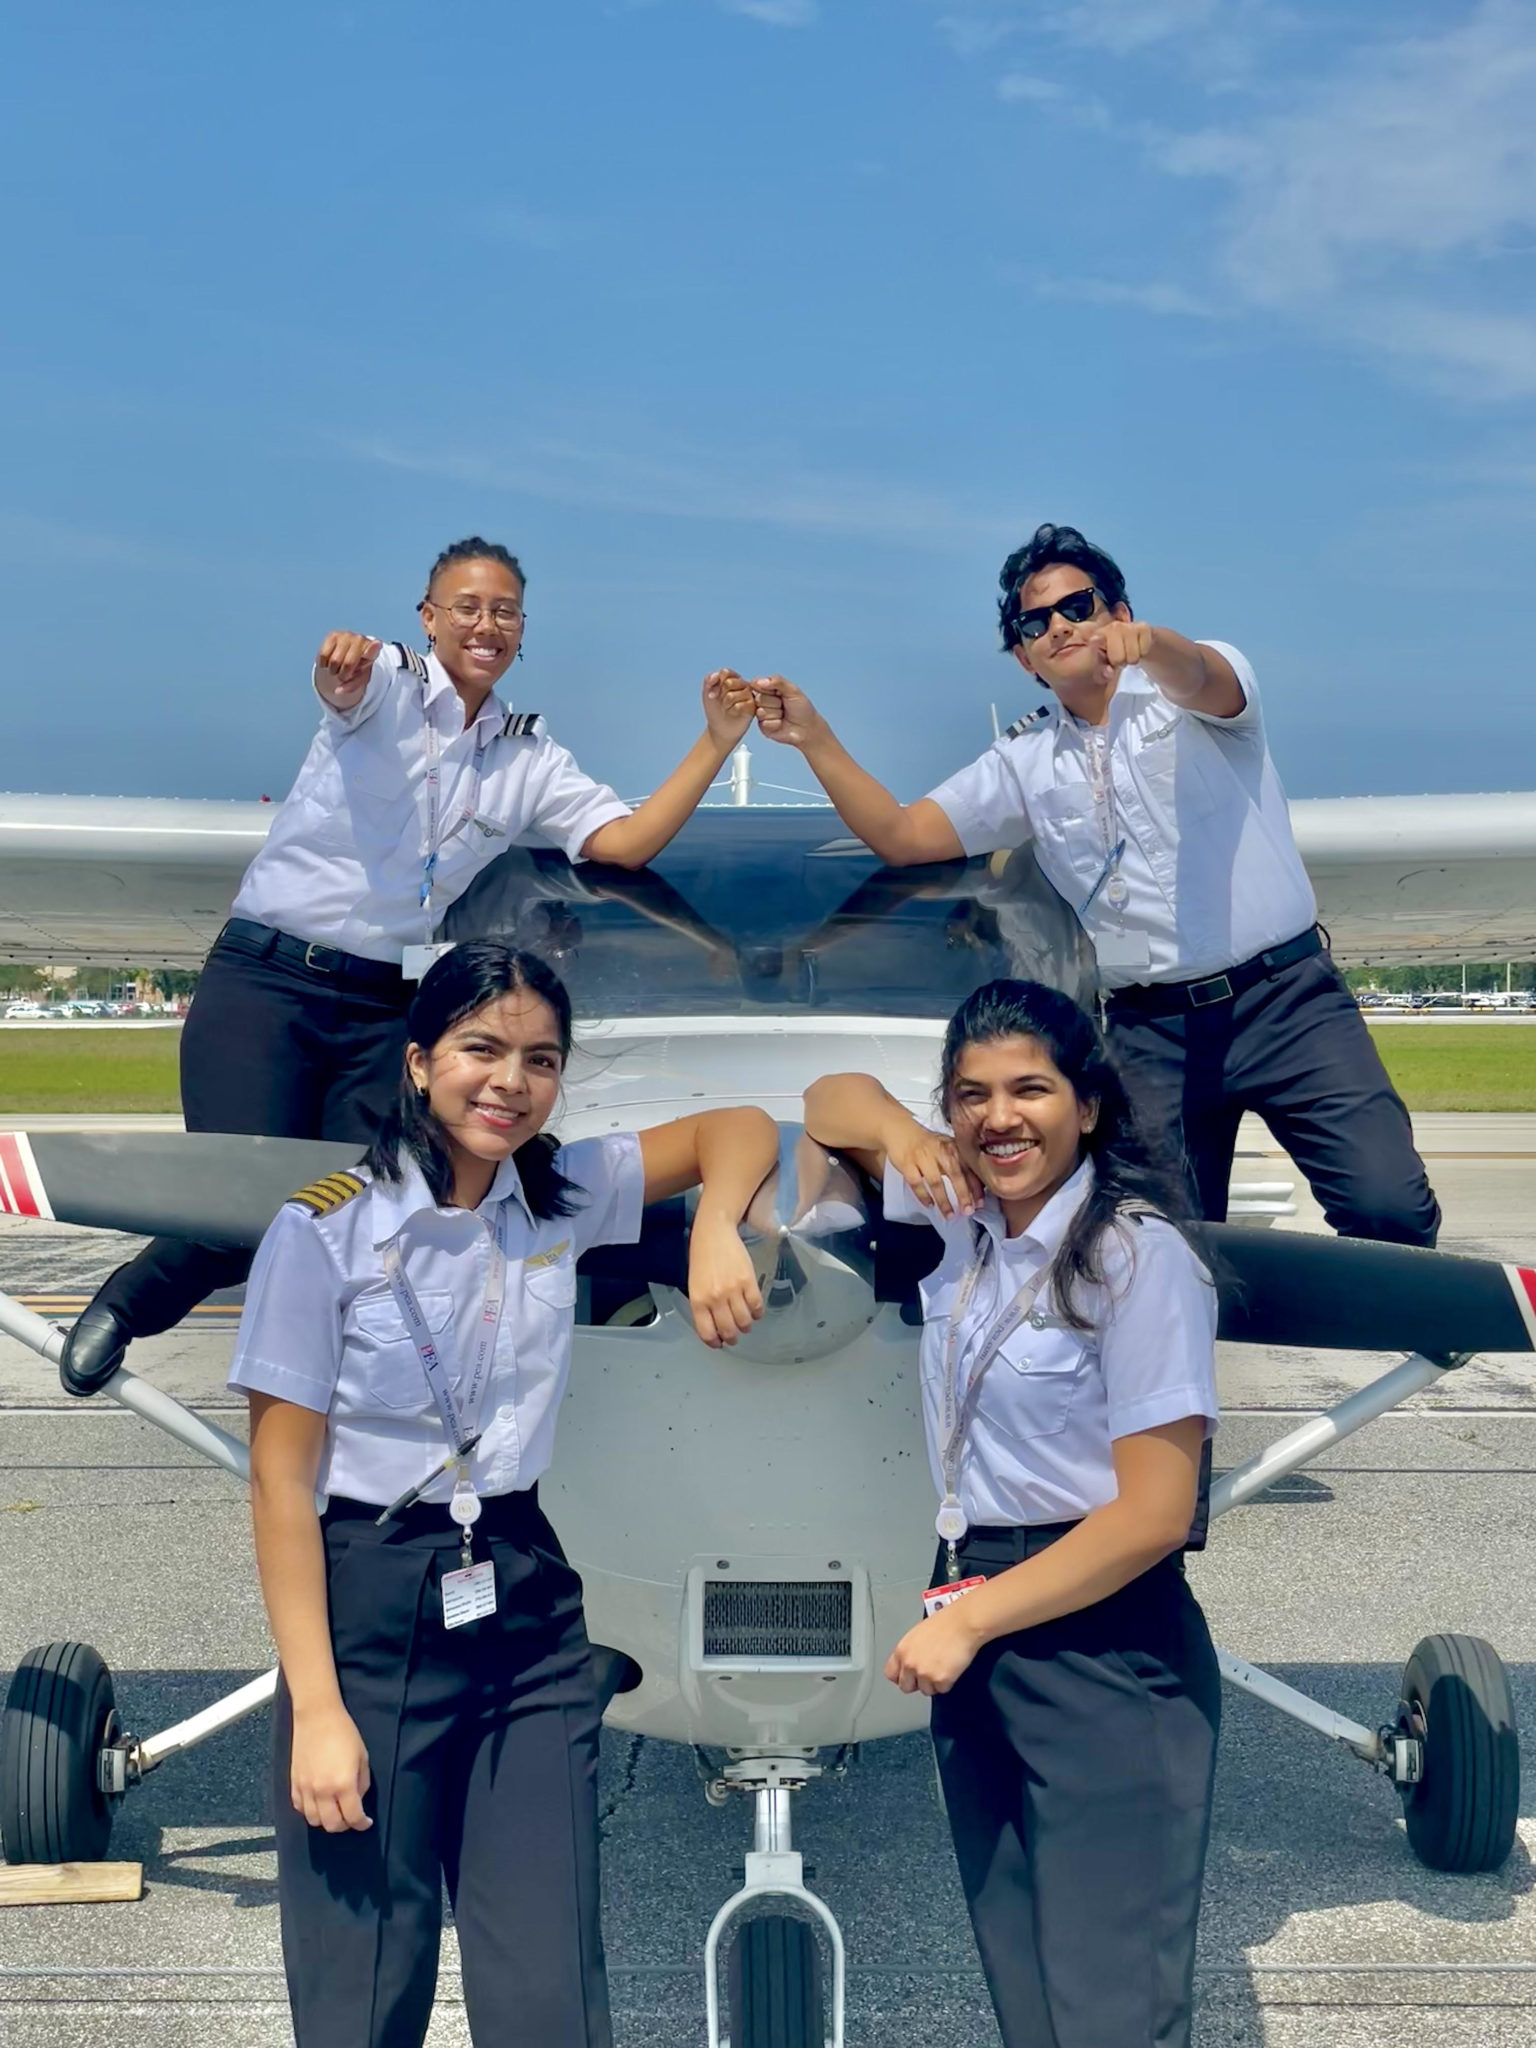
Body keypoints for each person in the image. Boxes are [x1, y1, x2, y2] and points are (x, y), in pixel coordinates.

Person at [229, 941, 779, 2048]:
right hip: (370, 1597)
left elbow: (741, 1128)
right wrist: (319, 1711)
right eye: (481, 1049)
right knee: (361, 1988)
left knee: (548, 1988)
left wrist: (717, 1224)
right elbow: (281, 1485)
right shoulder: (326, 1231)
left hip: (521, 1586)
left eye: (541, 1059)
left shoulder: (563, 1194)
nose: (510, 1082)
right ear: (419, 1061)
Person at [62, 535, 756, 1392]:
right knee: (237, 1206)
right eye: (466, 607)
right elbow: (342, 686)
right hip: (266, 981)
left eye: (504, 612)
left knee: (372, 1211)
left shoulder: (528, 758)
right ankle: (125, 1306)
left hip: (383, 1007)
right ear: (429, 619)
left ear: (522, 632)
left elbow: (624, 841)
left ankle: (350, 1397)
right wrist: (338, 669)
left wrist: (716, 741)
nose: (485, 625)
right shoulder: (386, 684)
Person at [751, 522, 1440, 1245]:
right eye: (1035, 622)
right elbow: (901, 835)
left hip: (1286, 1000)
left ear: (1119, 612)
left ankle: (1411, 1311)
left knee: (1387, 1207)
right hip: (1151, 1030)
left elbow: (1202, 675)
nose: (1059, 626)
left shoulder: (1189, 695)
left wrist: (1155, 645)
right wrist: (813, 738)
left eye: (1077, 607)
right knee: (1161, 1244)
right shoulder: (1023, 759)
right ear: (1024, 657)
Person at [803, 978, 1220, 2048]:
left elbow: (1154, 1513)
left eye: (1031, 1089)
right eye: (972, 1094)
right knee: (1027, 1989)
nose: (1000, 1118)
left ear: (1089, 1104)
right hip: (975, 1620)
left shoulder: (1138, 1258)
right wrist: (902, 1134)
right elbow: (827, 1100)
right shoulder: (963, 1221)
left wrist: (973, 1620)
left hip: (1099, 1636)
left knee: (1110, 2005)